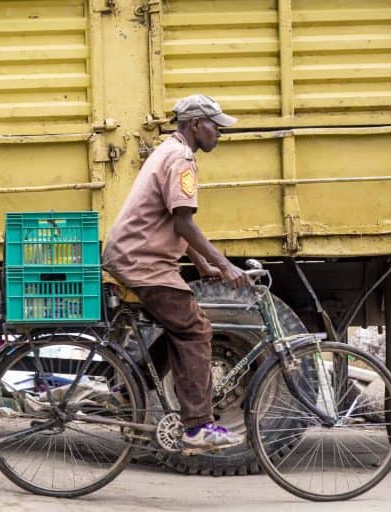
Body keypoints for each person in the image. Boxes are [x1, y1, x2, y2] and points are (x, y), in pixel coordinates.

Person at [102, 95, 251, 455]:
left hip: (138, 256)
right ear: (196, 124)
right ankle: (197, 427)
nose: (219, 133)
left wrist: (201, 263)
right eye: (216, 126)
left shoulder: (169, 150)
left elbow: (170, 220)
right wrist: (225, 264)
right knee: (197, 328)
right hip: (143, 262)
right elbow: (184, 222)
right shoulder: (181, 160)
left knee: (178, 327)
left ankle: (126, 388)